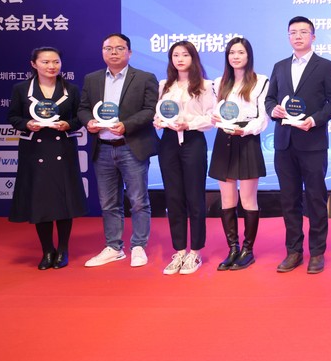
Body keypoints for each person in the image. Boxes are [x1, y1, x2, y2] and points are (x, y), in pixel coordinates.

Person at [266, 16, 331, 274]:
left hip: (313, 142)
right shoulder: (279, 67)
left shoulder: (326, 66)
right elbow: (269, 99)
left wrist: (314, 120)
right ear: (288, 36)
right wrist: (273, 110)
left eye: (303, 32)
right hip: (284, 142)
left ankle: (317, 252)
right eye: (293, 32)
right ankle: (294, 251)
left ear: (313, 36)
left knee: (315, 199)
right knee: (289, 199)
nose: (298, 36)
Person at [77, 33, 159, 268]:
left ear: (129, 52)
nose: (113, 52)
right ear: (102, 52)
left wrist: (127, 125)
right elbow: (83, 108)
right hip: (103, 148)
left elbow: (150, 110)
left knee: (138, 201)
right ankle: (114, 247)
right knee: (108, 203)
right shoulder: (92, 79)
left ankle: (139, 246)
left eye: (119, 48)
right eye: (108, 48)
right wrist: (88, 122)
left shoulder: (144, 78)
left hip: (131, 147)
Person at [7, 47, 87, 269]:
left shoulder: (71, 89)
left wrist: (68, 124)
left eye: (56, 62)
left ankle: (63, 249)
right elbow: (13, 117)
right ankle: (47, 250)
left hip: (62, 148)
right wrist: (27, 124)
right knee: (40, 201)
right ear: (34, 64)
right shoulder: (21, 89)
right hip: (35, 150)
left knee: (63, 200)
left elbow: (79, 118)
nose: (51, 66)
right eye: (45, 62)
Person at [155, 40, 215, 276]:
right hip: (169, 142)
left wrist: (188, 123)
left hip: (193, 141)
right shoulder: (164, 85)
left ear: (193, 58)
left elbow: (211, 117)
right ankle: (179, 250)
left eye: (185, 55)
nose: (180, 59)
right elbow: (158, 112)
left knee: (194, 197)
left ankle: (195, 251)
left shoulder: (205, 85)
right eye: (175, 55)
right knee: (173, 197)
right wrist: (159, 121)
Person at [209, 37, 268, 271]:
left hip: (247, 139)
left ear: (248, 55)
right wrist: (214, 118)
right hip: (224, 140)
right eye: (232, 52)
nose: (235, 56)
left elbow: (263, 117)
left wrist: (244, 130)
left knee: (248, 200)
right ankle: (232, 249)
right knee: (227, 200)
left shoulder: (260, 81)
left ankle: (247, 250)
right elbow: (211, 112)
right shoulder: (218, 83)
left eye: (240, 52)